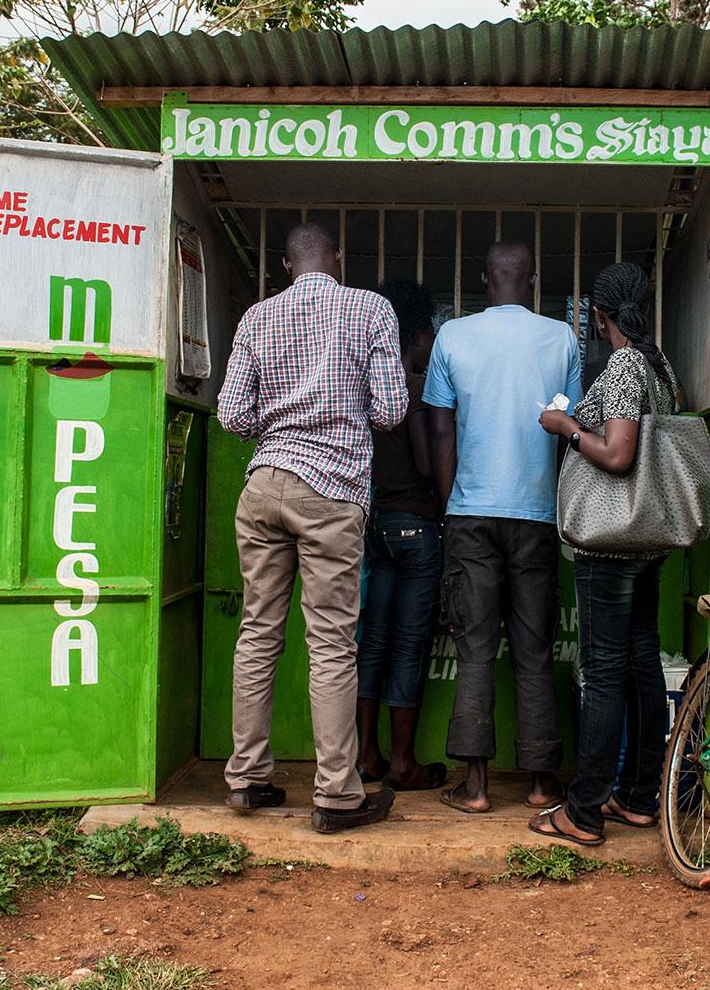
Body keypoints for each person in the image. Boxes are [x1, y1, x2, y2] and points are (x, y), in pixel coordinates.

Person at [217, 222, 407, 834]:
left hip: (264, 483)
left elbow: (230, 414)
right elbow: (391, 410)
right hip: (331, 490)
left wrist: (279, 424)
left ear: (285, 265)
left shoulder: (256, 318)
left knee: (258, 633)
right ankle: (336, 796)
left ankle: (246, 779)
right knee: (330, 644)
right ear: (338, 258)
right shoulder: (370, 309)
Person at [527, 261, 683, 848]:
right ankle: (638, 798)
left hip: (611, 541)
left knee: (605, 670)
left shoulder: (622, 365)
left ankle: (584, 810)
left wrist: (564, 424)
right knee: (641, 662)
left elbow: (618, 455)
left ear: (599, 315)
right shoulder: (660, 366)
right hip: (649, 537)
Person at [424, 241, 581, 813]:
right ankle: (541, 783)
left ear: (484, 280)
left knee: (474, 648)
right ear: (532, 281)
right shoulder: (561, 338)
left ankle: (477, 787)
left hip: (471, 514)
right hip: (536, 516)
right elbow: (569, 427)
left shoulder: (452, 337)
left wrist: (452, 505)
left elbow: (441, 430)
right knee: (535, 650)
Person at [354, 278, 449, 792]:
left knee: (373, 642)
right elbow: (420, 457)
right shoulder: (413, 387)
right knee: (410, 645)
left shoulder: (367, 384)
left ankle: (367, 756)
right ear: (417, 336)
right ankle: (404, 764)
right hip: (417, 528)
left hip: (378, 527)